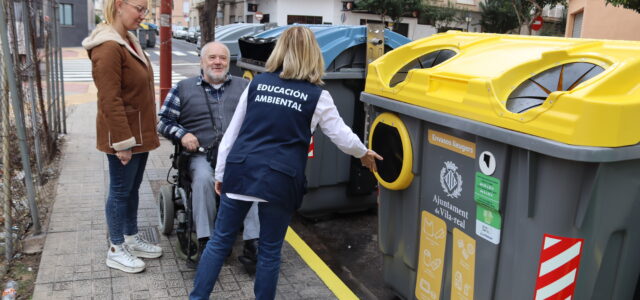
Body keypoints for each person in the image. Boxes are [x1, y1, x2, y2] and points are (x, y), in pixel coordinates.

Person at [190, 26, 383, 299]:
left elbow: (233, 133)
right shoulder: (318, 96)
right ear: (314, 55)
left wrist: (220, 172)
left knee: (219, 242)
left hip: (242, 169)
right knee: (269, 251)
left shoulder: (257, 83)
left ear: (279, 51)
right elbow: (342, 136)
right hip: (280, 179)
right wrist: (363, 153)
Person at [157, 41, 260, 267]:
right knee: (203, 178)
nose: (217, 62)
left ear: (228, 62)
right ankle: (207, 240)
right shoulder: (182, 88)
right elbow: (164, 121)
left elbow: (260, 120)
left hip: (235, 155)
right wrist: (182, 134)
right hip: (199, 154)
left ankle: (253, 242)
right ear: (202, 62)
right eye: (212, 57)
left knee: (251, 178)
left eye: (222, 58)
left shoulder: (245, 87)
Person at [81, 0, 162, 274]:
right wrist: (122, 144)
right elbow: (110, 100)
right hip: (125, 136)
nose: (143, 15)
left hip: (139, 132)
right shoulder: (108, 47)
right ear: (118, 5)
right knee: (119, 191)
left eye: (145, 9)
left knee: (132, 189)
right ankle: (116, 249)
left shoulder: (126, 40)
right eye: (139, 8)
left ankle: (131, 238)